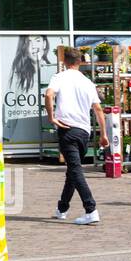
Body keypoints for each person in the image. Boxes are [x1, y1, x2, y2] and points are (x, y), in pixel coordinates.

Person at [45, 47, 107, 225]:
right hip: (84, 132)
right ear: (80, 62)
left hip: (67, 129)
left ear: (64, 61)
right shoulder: (88, 82)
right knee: (73, 170)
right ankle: (62, 208)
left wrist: (51, 118)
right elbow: (98, 109)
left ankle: (91, 209)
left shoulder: (59, 77)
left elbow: (49, 95)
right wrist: (103, 134)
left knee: (75, 170)